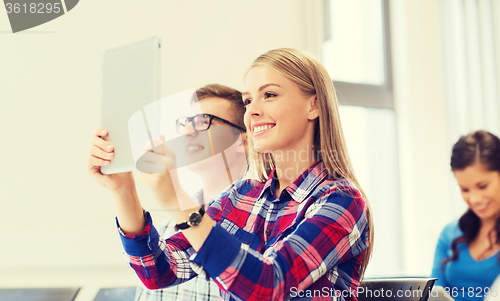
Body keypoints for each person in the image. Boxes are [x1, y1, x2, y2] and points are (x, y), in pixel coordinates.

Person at [87, 48, 373, 301]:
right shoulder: (240, 196)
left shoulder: (341, 201)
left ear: (314, 105)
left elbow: (267, 287)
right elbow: (158, 272)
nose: (252, 112)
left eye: (269, 95)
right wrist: (123, 190)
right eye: (248, 101)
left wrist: (178, 202)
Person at [134, 84, 248, 301]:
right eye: (185, 123)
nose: (187, 131)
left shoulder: (260, 225)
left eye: (203, 121)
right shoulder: (166, 229)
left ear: (242, 141)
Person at [431, 130, 500, 301]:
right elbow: (434, 292)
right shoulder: (449, 233)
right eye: (465, 189)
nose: (474, 199)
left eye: (482, 186)